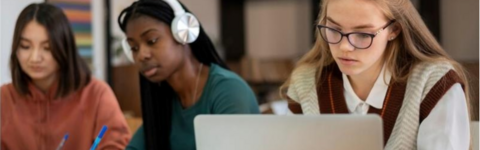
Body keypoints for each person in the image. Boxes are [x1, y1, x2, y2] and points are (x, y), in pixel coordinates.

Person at [281, 0, 471, 149]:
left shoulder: (435, 83)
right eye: (333, 30)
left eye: (363, 34)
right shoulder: (306, 82)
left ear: (394, 30)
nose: (345, 47)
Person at [117, 0, 260, 149]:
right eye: (134, 48)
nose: (141, 55)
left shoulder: (228, 91)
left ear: (183, 32)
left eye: (152, 41)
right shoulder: (162, 102)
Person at [1, 3, 131, 149]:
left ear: (64, 47)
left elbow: (117, 145)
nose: (35, 57)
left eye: (47, 47)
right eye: (25, 46)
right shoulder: (4, 98)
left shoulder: (96, 94)